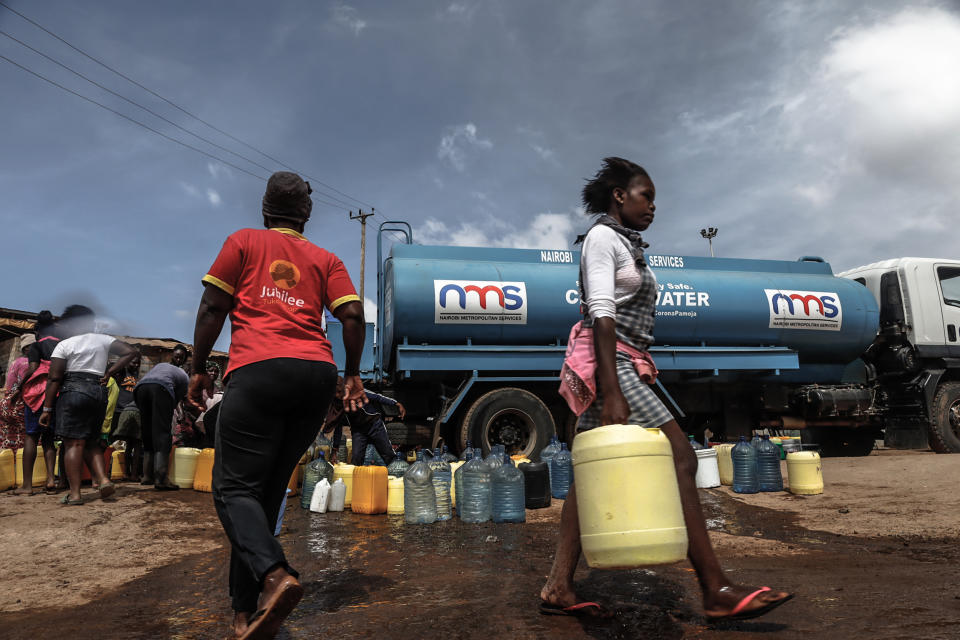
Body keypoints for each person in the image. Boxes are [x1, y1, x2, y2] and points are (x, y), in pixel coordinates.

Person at [541, 158, 793, 621]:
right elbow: (600, 312)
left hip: (624, 361)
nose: (654, 206)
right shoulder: (601, 239)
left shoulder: (626, 244)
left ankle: (558, 585)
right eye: (646, 196)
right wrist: (612, 389)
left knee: (587, 477)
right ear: (620, 194)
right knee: (679, 455)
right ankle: (715, 588)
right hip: (610, 364)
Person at [187, 171, 366, 640]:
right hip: (315, 378)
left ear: (265, 210)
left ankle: (274, 575)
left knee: (231, 489)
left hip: (260, 369)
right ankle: (246, 612)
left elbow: (212, 307)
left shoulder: (244, 242)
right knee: (261, 496)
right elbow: (351, 315)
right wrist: (351, 373)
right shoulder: (326, 259)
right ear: (306, 214)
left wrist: (198, 366)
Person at [37, 305, 138, 505]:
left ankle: (75, 494)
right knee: (92, 441)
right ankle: (103, 479)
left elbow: (55, 378)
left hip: (72, 391)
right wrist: (110, 372)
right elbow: (131, 352)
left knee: (73, 443)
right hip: (98, 391)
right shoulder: (103, 340)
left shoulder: (65, 345)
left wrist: (47, 409)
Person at [17, 311, 60, 494]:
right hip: (56, 395)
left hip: (37, 396)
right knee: (49, 439)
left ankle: (27, 485)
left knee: (31, 437)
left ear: (38, 329)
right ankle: (51, 479)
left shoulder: (37, 345)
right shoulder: (61, 345)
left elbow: (32, 369)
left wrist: (19, 387)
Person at [135, 348, 190, 489]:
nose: (179, 359)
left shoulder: (159, 366)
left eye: (181, 357)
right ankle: (161, 479)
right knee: (162, 435)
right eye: (177, 357)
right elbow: (175, 399)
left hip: (140, 390)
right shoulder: (184, 375)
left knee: (147, 433)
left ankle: (146, 476)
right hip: (160, 389)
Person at [323, 376, 404, 466]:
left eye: (338, 392)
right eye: (334, 394)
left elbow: (378, 397)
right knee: (356, 459)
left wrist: (396, 403)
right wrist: (335, 449)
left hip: (374, 425)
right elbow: (338, 427)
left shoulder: (357, 391)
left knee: (388, 454)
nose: (337, 396)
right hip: (358, 430)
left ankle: (396, 473)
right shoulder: (338, 405)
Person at [0, 334, 34, 451]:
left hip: (7, 403)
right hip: (17, 403)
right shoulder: (27, 363)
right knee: (28, 435)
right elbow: (24, 385)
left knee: (9, 435)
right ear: (27, 348)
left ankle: (9, 463)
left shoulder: (17, 361)